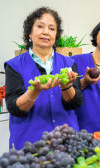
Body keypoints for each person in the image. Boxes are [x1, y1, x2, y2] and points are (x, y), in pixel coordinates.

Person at [5, 7, 83, 149]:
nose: (46, 32)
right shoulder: (14, 65)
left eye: (52, 29)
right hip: (30, 141)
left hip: (65, 139)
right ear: (29, 32)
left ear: (56, 35)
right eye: (40, 26)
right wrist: (34, 91)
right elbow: (14, 107)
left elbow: (75, 103)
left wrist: (66, 86)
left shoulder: (69, 64)